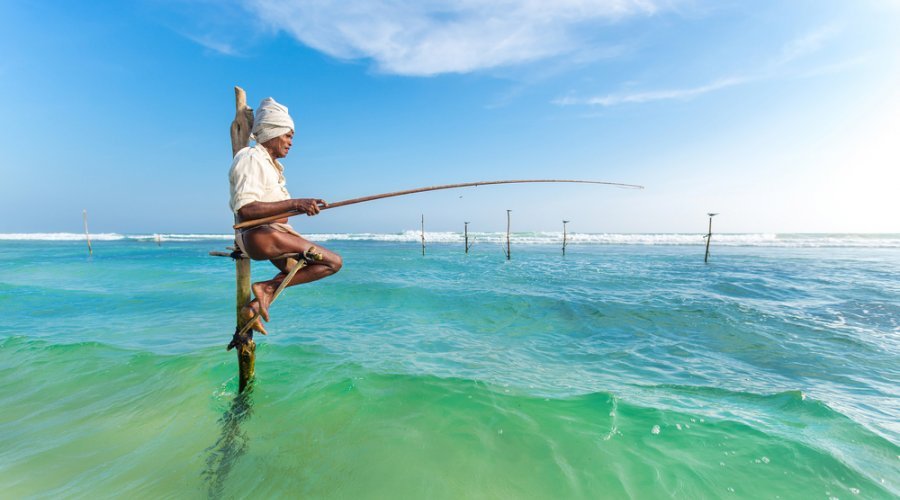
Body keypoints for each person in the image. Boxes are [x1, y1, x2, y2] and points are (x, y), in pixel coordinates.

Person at [229, 97, 342, 334]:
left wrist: (298, 207)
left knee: (307, 269)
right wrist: (296, 203)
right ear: (272, 132)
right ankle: (266, 288)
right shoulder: (250, 158)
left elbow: (279, 214)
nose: (291, 143)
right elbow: (245, 209)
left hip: (272, 235)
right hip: (261, 236)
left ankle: (252, 308)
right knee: (333, 262)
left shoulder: (272, 167)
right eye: (288, 136)